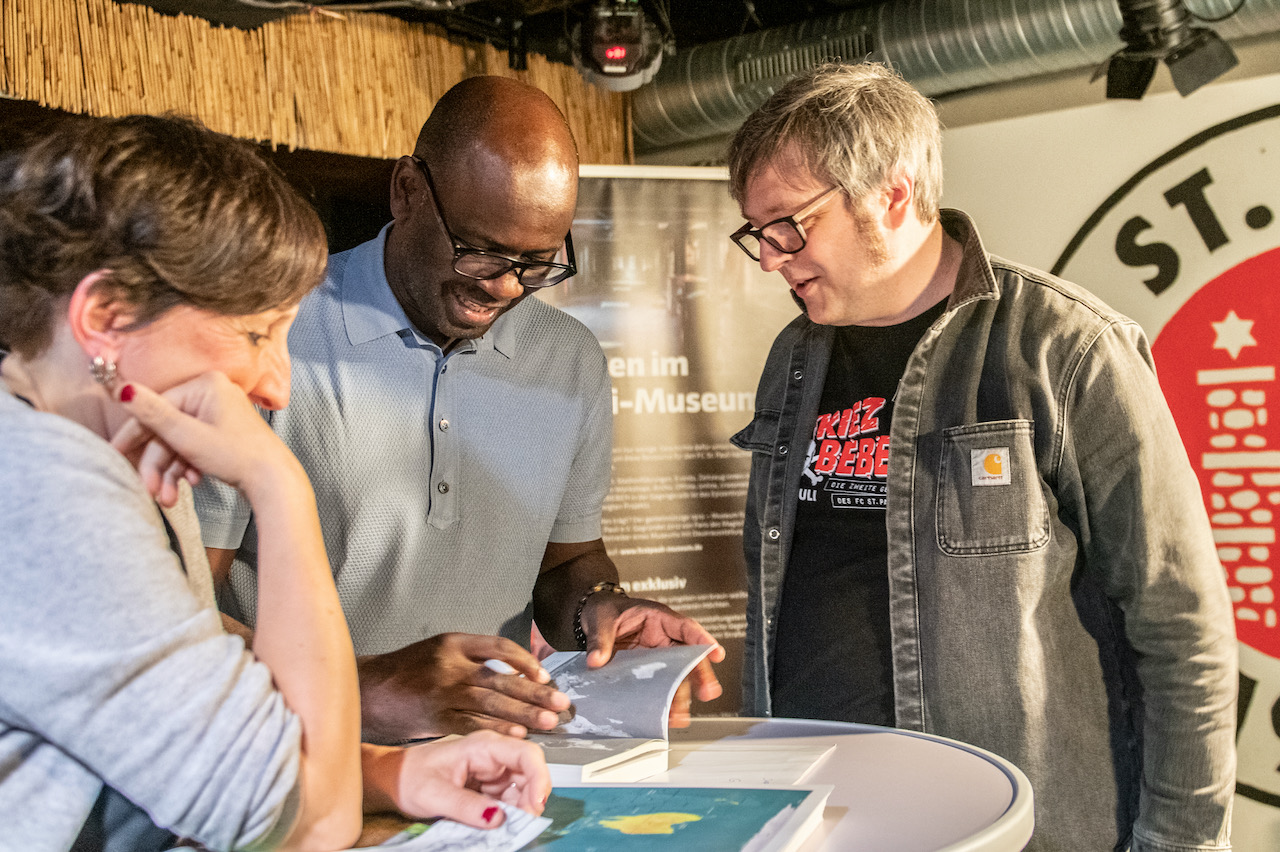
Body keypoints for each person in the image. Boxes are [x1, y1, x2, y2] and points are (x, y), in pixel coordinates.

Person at [0, 113, 549, 851]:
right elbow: (309, 827)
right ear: (105, 315)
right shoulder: (47, 497)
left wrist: (387, 773)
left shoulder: (84, 452)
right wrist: (280, 489)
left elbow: (194, 742)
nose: (275, 386)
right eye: (256, 334)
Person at [726, 62, 1236, 851]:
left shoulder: (1068, 350)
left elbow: (1182, 626)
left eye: (788, 224)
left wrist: (1181, 842)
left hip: (1006, 833)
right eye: (757, 231)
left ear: (892, 195)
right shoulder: (793, 358)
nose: (768, 256)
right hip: (811, 819)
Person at [195, 75, 724, 745]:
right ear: (408, 191)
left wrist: (603, 612)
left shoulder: (570, 360)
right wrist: (363, 689)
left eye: (536, 264)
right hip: (288, 767)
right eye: (480, 249)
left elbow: (566, 564)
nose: (505, 285)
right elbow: (177, 611)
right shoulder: (272, 331)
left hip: (488, 779)